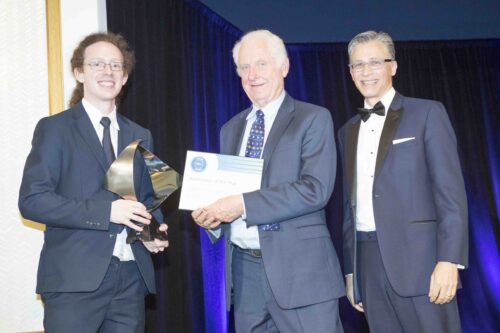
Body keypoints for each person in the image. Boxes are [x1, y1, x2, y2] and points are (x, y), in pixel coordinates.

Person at [191, 30, 344, 333]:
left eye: (261, 64)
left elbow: (315, 189)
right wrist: (213, 218)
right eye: (244, 68)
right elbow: (229, 195)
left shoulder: (313, 118)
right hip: (245, 275)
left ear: (284, 67)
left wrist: (240, 204)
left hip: (302, 274)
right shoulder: (230, 129)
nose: (253, 75)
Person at [18, 32, 168, 333]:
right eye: (97, 64)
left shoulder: (141, 134)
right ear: (79, 73)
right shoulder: (54, 129)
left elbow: (148, 201)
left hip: (131, 279)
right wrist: (107, 213)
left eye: (116, 65)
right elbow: (32, 200)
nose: (108, 71)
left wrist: (152, 232)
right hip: (74, 281)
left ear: (125, 77)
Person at [338, 31, 468, 333]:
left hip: (422, 263)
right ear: (350, 72)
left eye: (374, 62)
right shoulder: (347, 131)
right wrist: (351, 272)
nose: (366, 71)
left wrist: (450, 260)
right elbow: (348, 207)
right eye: (358, 65)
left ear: (393, 67)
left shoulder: (427, 113)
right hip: (367, 264)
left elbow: (450, 194)